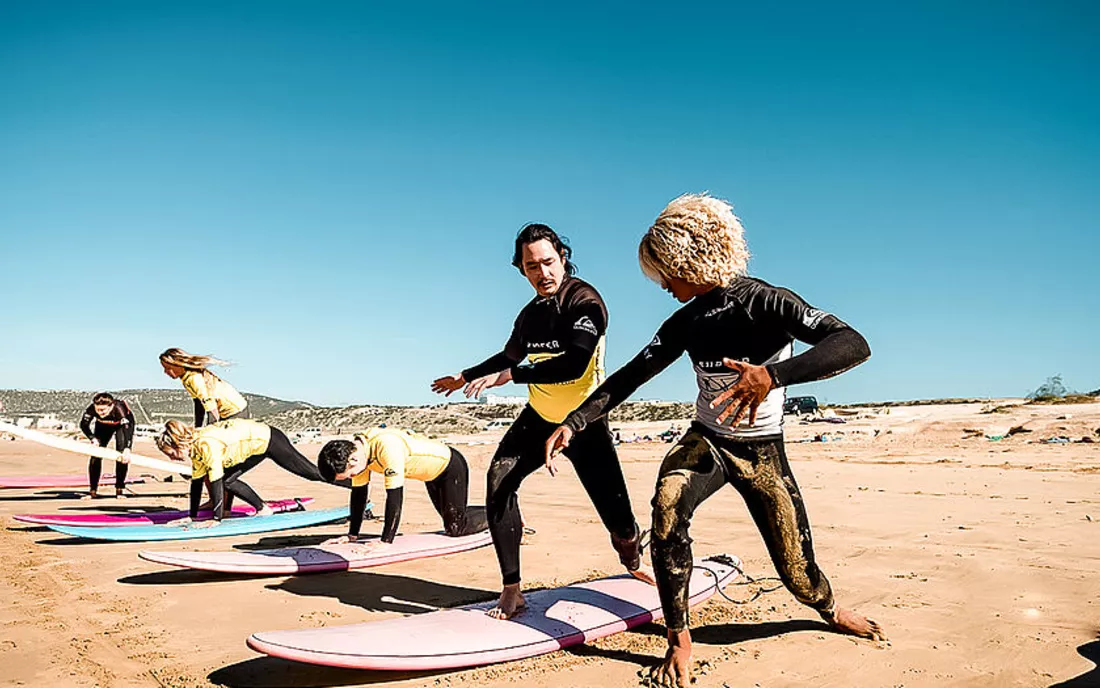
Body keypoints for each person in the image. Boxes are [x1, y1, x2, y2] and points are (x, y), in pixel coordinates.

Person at [546, 194, 886, 687]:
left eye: (665, 271)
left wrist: (771, 375)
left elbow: (853, 343)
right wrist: (576, 421)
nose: (662, 284)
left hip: (763, 451)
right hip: (708, 443)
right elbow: (631, 376)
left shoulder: (768, 301)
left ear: (690, 257)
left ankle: (829, 607)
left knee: (796, 569)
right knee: (666, 506)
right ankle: (679, 639)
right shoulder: (687, 321)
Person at [431, 223, 649, 619]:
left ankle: (633, 556)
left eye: (548, 262)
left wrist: (516, 377)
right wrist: (465, 375)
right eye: (532, 266)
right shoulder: (529, 316)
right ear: (522, 269)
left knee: (619, 522)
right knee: (499, 483)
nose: (542, 273)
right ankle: (512, 590)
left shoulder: (585, 302)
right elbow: (509, 356)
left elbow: (575, 362)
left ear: (562, 258)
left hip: (584, 424)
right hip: (539, 418)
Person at [316, 427, 488, 547]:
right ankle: (490, 512)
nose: (352, 477)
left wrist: (385, 541)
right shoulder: (359, 454)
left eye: (350, 475)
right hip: (430, 476)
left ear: (352, 460)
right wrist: (352, 536)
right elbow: (359, 496)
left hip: (450, 467)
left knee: (456, 527)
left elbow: (394, 497)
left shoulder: (387, 447)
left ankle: (499, 513)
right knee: (452, 518)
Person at [155, 418, 325, 525]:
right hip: (256, 446)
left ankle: (350, 482)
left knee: (313, 473)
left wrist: (216, 519)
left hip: (269, 439)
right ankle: (263, 509)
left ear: (179, 444)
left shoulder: (205, 444)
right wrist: (192, 516)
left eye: (172, 453)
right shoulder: (195, 450)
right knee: (228, 480)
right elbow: (197, 484)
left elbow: (215, 481)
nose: (172, 458)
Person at [159, 348, 249, 427]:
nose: (165, 372)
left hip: (236, 412)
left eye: (167, 368)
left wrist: (210, 431)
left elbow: (211, 409)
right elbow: (199, 405)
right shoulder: (186, 378)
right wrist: (197, 429)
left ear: (178, 365)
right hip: (227, 414)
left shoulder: (195, 378)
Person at [78, 392, 135, 498]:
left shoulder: (119, 409)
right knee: (95, 456)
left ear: (111, 406)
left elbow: (128, 431)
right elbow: (83, 425)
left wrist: (128, 448)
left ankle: (119, 488)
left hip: (121, 427)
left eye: (103, 410)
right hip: (102, 426)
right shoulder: (91, 409)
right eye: (98, 410)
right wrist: (92, 438)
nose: (100, 412)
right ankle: (93, 490)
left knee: (122, 456)